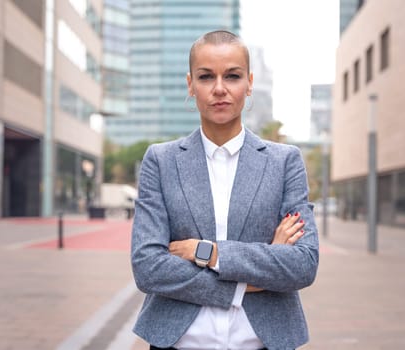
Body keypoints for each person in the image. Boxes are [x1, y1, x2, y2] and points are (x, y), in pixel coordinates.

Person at [131, 30, 319, 350]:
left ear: (249, 83)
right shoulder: (160, 161)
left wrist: (207, 252)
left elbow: (302, 264)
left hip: (263, 342)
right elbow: (148, 268)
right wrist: (247, 283)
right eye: (206, 77)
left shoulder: (284, 161)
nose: (219, 89)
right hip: (177, 343)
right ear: (191, 84)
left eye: (232, 76)